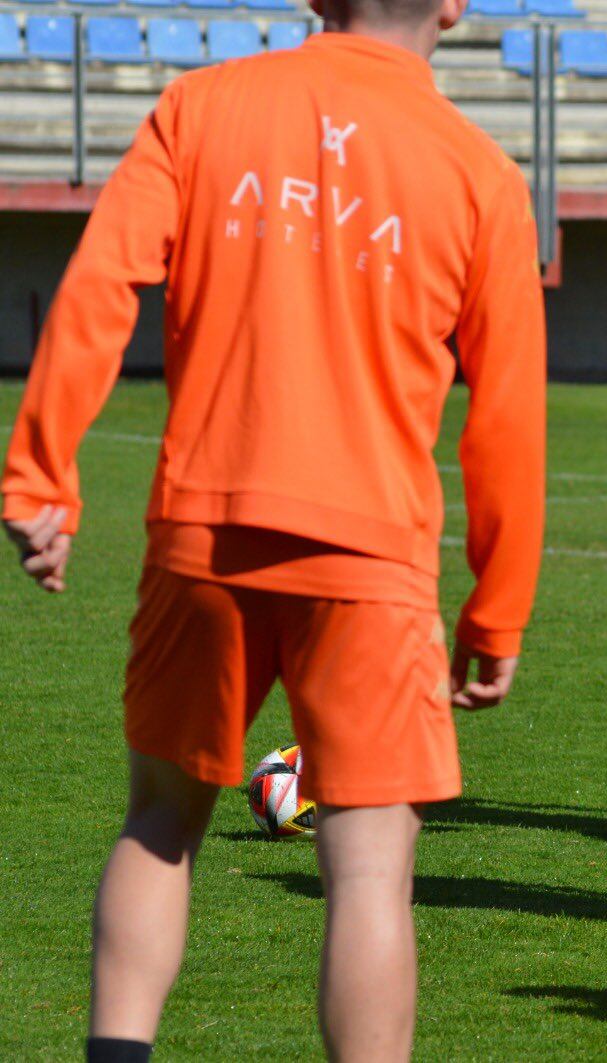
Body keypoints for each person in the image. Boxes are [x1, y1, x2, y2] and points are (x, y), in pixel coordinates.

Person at [2, 0, 547, 1056]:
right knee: (371, 867)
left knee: (160, 820)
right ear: (452, 6)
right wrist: (498, 610)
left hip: (204, 527)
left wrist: (40, 475)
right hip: (372, 553)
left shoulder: (202, 105)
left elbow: (100, 285)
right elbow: (509, 412)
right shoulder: (476, 168)